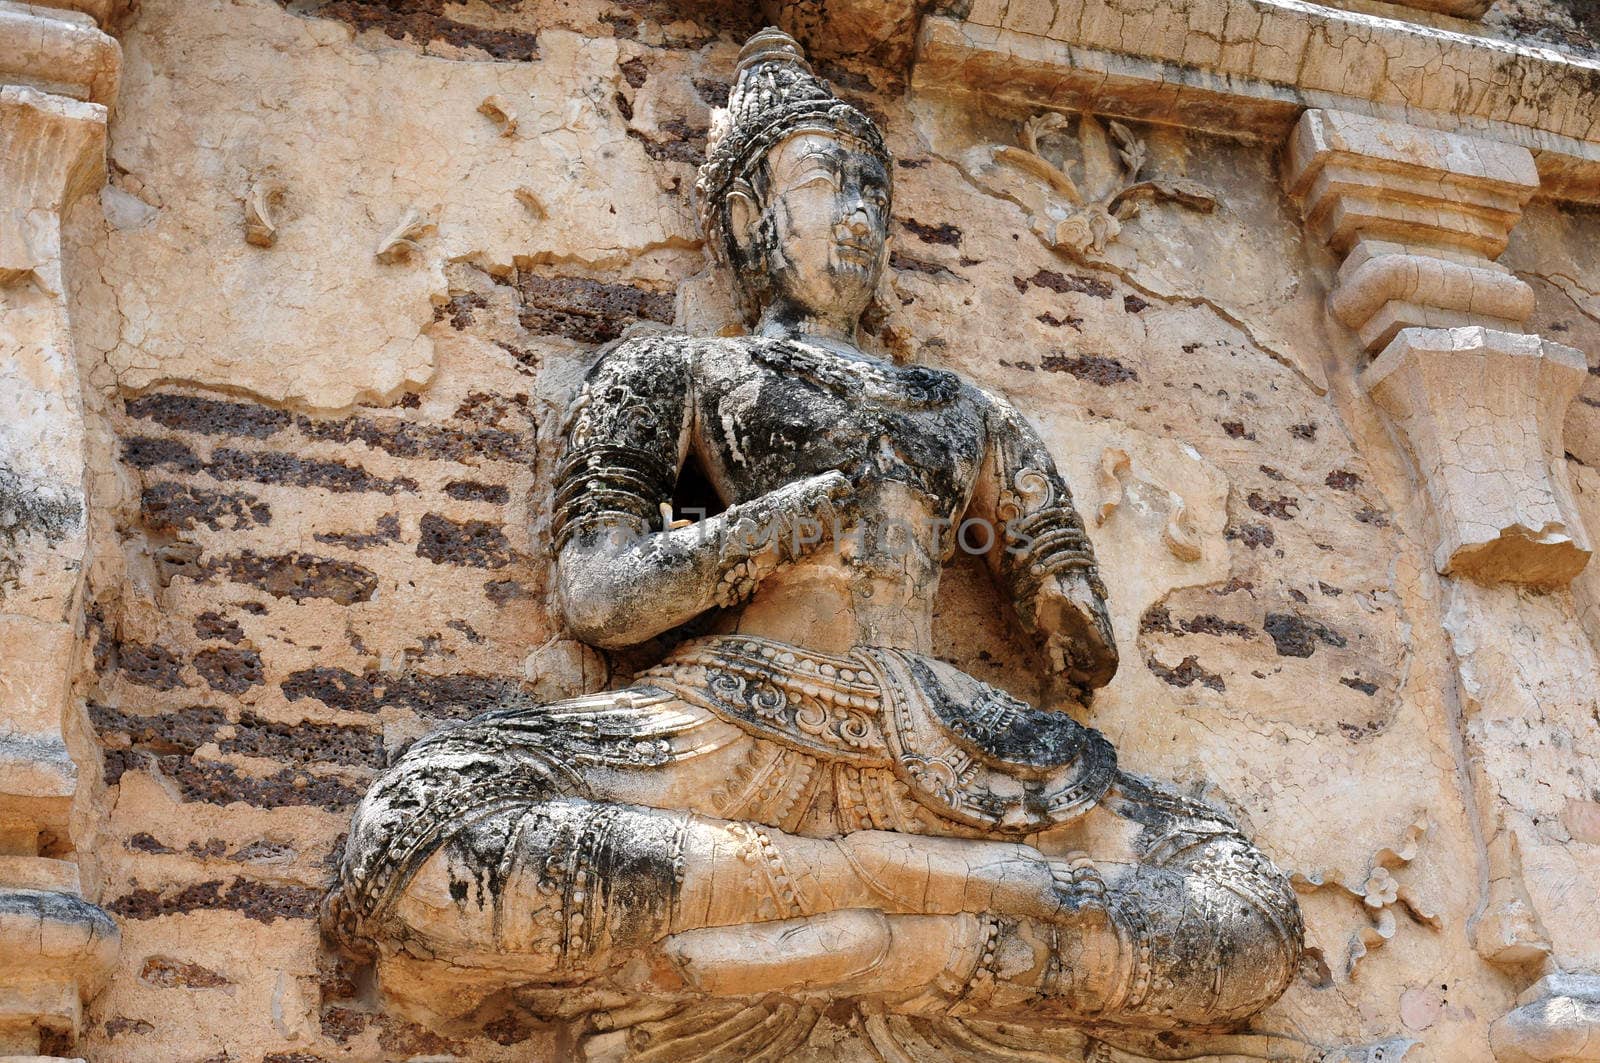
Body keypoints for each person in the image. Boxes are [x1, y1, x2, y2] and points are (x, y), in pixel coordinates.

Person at [325, 27, 1302, 1053]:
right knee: (415, 841)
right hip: (732, 715)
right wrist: (763, 528)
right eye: (829, 182)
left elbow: (1060, 590)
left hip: (941, 731)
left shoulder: (960, 406)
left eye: (874, 192)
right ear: (751, 214)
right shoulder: (683, 371)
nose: (860, 214)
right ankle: (874, 896)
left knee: (1247, 913)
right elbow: (599, 593)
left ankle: (850, 932)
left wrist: (1068, 610)